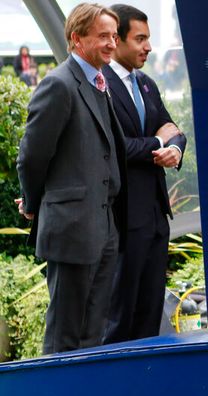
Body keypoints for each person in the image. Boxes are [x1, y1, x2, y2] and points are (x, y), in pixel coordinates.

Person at [16, 3, 127, 354]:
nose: (112, 43)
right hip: (71, 227)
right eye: (103, 36)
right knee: (65, 334)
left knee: (92, 333)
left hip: (103, 227)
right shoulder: (59, 84)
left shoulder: (98, 80)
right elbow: (32, 156)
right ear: (77, 39)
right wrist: (34, 204)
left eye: (114, 35)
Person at [101, 4, 186, 343]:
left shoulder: (147, 84)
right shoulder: (99, 83)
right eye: (140, 39)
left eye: (148, 39)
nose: (148, 47)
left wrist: (175, 148)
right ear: (116, 40)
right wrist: (156, 141)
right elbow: (114, 147)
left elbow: (173, 128)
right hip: (122, 217)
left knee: (150, 315)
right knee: (120, 317)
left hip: (155, 215)